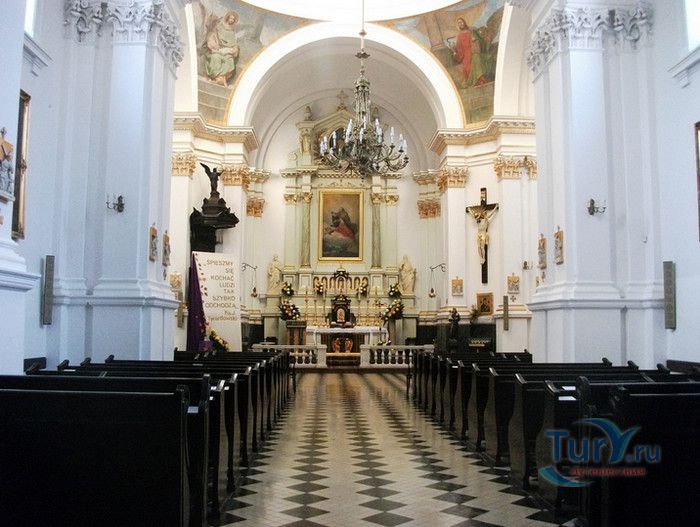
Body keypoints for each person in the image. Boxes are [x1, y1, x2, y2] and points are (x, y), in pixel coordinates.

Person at [203, 10, 240, 86]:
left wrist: (234, 49)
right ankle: (217, 78)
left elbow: (234, 43)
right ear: (227, 18)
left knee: (229, 60)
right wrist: (214, 46)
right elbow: (213, 35)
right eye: (230, 18)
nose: (231, 20)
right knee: (215, 57)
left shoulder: (232, 31)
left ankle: (221, 78)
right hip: (218, 48)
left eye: (233, 19)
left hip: (227, 50)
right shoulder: (220, 27)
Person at [451, 17, 487, 88]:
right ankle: (473, 82)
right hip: (465, 55)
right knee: (466, 67)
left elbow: (478, 41)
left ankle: (480, 80)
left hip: (473, 51)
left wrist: (475, 40)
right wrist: (454, 49)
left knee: (476, 60)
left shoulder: (471, 32)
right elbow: (459, 48)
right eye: (459, 23)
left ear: (464, 22)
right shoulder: (459, 36)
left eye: (461, 22)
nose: (461, 24)